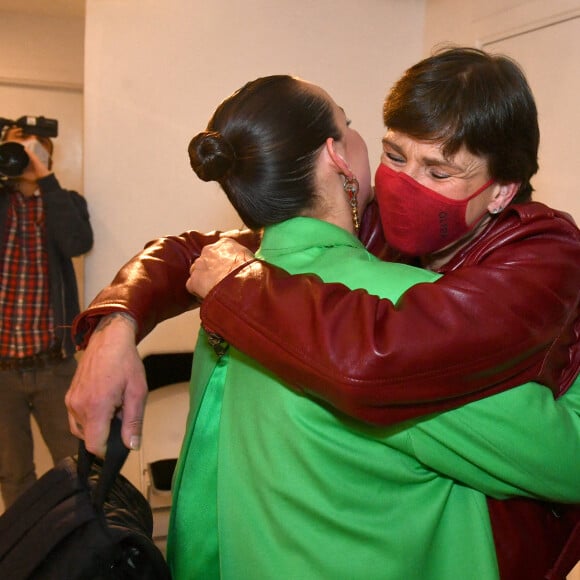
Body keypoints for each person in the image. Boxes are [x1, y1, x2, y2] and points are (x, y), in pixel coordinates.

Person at [65, 48, 580, 576]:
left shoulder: (542, 256)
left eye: (440, 172)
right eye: (396, 156)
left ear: (501, 192)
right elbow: (188, 255)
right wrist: (115, 322)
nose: (406, 183)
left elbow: (385, 355)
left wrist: (242, 290)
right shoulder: (370, 232)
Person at [0, 122, 93, 508]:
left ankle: (78, 550)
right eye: (15, 150)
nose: (23, 158)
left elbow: (77, 242)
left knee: (75, 466)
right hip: (2, 372)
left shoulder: (65, 201)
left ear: (47, 157)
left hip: (54, 365)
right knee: (13, 473)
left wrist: (45, 179)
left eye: (32, 151)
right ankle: (25, 557)